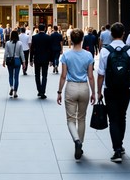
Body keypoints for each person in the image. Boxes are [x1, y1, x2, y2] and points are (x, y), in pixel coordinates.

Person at [97, 22, 130, 163]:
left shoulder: (105, 51)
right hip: (125, 90)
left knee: (113, 119)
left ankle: (117, 149)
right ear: (123, 34)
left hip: (109, 89)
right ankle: (120, 145)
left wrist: (98, 91)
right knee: (122, 117)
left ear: (111, 34)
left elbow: (100, 74)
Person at [57, 28, 95, 160]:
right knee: (82, 118)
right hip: (84, 87)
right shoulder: (89, 55)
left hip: (71, 87)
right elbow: (91, 76)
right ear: (82, 39)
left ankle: (76, 140)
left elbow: (63, 76)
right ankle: (80, 144)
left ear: (71, 40)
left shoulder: (66, 55)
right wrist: (94, 92)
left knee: (70, 119)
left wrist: (59, 91)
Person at [30, 23, 52, 99]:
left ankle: (39, 90)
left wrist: (30, 60)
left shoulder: (34, 37)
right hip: (45, 59)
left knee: (37, 75)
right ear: (45, 29)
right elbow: (50, 49)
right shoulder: (48, 37)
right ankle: (43, 91)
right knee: (44, 75)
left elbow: (32, 49)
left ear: (38, 29)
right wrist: (51, 60)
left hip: (37, 58)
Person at [3, 30, 25, 98]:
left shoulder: (7, 43)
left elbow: (6, 53)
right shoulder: (20, 43)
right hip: (17, 60)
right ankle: (15, 92)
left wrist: (4, 60)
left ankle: (11, 87)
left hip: (10, 60)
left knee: (11, 75)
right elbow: (21, 53)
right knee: (16, 76)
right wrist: (24, 62)